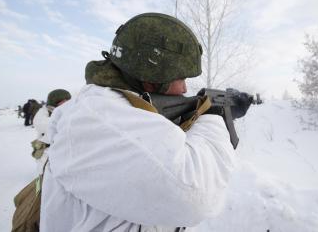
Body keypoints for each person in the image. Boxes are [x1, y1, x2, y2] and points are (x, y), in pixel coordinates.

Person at [40, 13, 239, 231]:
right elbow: (197, 193)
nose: (184, 89)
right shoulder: (99, 117)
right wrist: (214, 116)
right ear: (151, 77)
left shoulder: (116, 106)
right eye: (181, 78)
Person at [31, 89, 71, 175]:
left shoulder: (67, 110)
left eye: (68, 101)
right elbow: (41, 125)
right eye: (63, 101)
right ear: (55, 102)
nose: (66, 103)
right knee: (44, 171)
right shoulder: (44, 111)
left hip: (61, 148)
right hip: (46, 150)